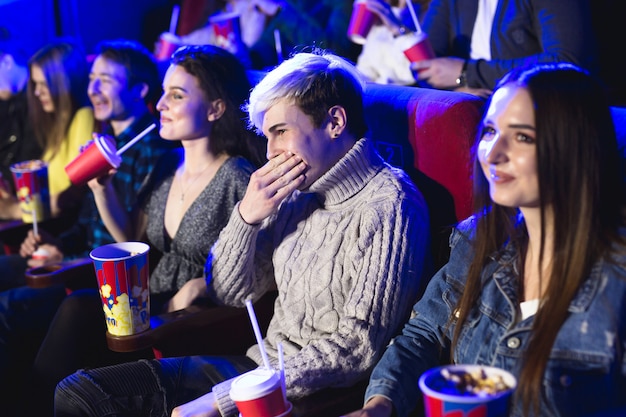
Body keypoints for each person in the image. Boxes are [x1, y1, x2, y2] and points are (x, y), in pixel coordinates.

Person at [54, 49, 431, 417]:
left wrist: (222, 400)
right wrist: (246, 217)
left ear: (334, 122)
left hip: (306, 391)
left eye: (281, 132)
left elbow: (355, 348)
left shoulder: (391, 204)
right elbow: (231, 292)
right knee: (79, 391)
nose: (270, 152)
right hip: (253, 370)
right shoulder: (297, 192)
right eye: (267, 136)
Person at [343, 63, 626, 417]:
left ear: (574, 147)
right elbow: (424, 334)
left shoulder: (616, 280)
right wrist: (379, 405)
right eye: (490, 131)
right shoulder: (478, 237)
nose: (491, 153)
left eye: (522, 136)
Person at [25, 45, 266, 416]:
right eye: (163, 93)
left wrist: (206, 284)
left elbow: (259, 267)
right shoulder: (170, 165)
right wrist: (101, 189)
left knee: (75, 319)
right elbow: (131, 241)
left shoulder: (237, 178)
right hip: (143, 310)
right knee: (69, 315)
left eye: (177, 95)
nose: (160, 104)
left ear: (216, 109)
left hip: (184, 325)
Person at [0, 39, 176, 416]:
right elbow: (82, 226)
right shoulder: (103, 141)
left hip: (105, 278)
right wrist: (53, 243)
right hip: (75, 259)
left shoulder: (155, 151)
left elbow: (135, 244)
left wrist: (69, 254)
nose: (93, 89)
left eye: (106, 81)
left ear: (140, 89)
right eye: (92, 79)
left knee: (9, 309)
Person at [412, 0, 598, 98]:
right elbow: (427, 64)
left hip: (543, 110)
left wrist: (469, 73)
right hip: (469, 108)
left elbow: (566, 61)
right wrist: (457, 92)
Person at [0, 39, 93, 220]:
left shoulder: (84, 116)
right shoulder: (56, 125)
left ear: (65, 82)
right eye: (35, 84)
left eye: (44, 84)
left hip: (67, 232)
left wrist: (13, 210)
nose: (37, 92)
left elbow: (75, 194)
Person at [169, 0, 361, 70]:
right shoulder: (294, 4)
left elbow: (334, 50)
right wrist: (241, 57)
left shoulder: (340, 3)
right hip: (285, 80)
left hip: (322, 82)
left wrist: (280, 10)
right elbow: (262, 50)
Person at [0, 39, 41, 202]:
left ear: (8, 62)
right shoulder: (7, 100)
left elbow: (27, 164)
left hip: (28, 199)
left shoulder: (40, 100)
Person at [354, 0, 424, 85]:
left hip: (406, 93)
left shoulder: (425, 13)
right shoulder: (379, 11)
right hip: (378, 92)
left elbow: (414, 74)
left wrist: (397, 29)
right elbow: (366, 69)